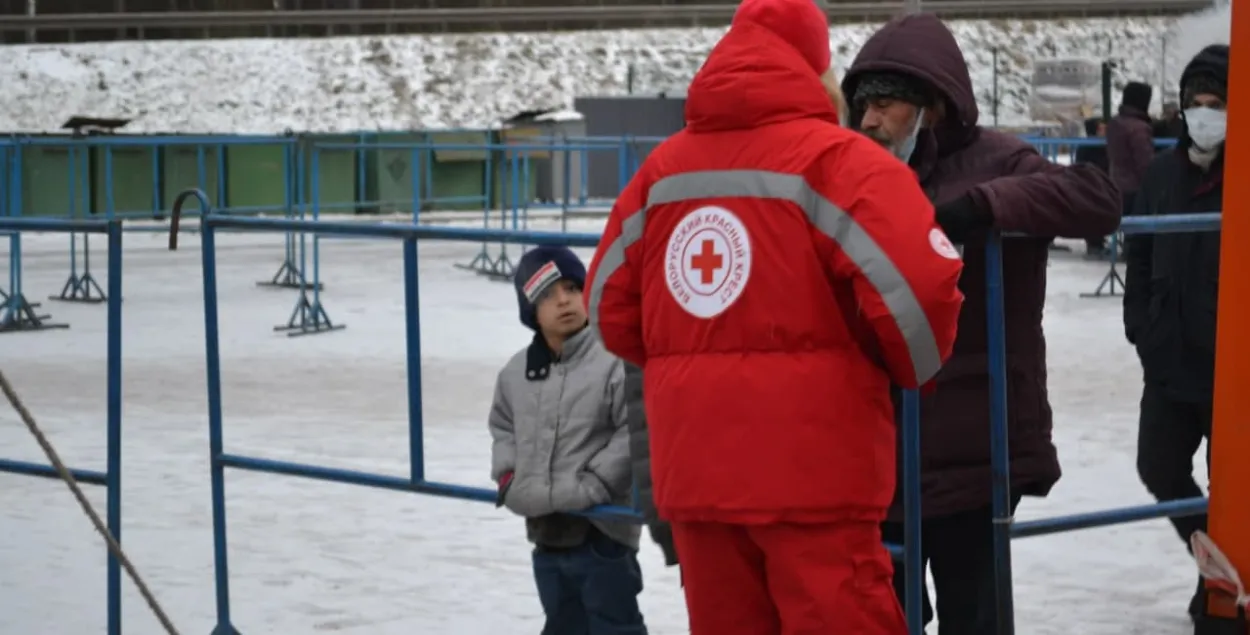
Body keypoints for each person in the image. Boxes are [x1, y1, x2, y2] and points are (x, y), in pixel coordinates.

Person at [583, 0, 967, 631]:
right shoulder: (843, 164)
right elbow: (922, 294)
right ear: (817, 70)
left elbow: (608, 306)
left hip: (697, 474)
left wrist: (689, 367)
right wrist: (900, 365)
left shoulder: (661, 171)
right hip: (815, 471)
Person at [839, 12, 1122, 634]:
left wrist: (986, 206)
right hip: (880, 447)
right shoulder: (853, 169)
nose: (867, 121)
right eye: (861, 106)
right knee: (885, 616)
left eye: (884, 105)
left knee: (977, 616)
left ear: (931, 105)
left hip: (977, 446)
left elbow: (1097, 200)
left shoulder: (999, 158)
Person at [488, 246, 647, 635]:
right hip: (547, 532)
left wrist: (594, 483)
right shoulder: (515, 374)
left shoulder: (614, 359)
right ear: (531, 312)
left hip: (603, 533)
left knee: (615, 625)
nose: (563, 301)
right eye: (547, 294)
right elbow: (503, 426)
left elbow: (635, 429)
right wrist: (509, 477)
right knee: (562, 623)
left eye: (573, 288)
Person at [1122, 43, 1228, 624]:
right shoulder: (1162, 173)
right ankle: (1219, 564)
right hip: (1169, 357)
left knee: (1233, 487)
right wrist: (1141, 323)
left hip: (1230, 365)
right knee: (1158, 467)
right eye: (1196, 103)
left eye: (1218, 103)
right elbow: (1137, 246)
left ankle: (1217, 589)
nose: (1205, 114)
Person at [1107, 81, 1157, 222]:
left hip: (1117, 184)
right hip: (1136, 189)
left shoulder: (1115, 123)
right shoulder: (1139, 128)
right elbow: (1145, 163)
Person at [1075, 117, 1112, 258]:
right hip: (1091, 188)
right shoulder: (1091, 147)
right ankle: (1094, 244)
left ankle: (1097, 242)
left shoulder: (1098, 145)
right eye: (1101, 128)